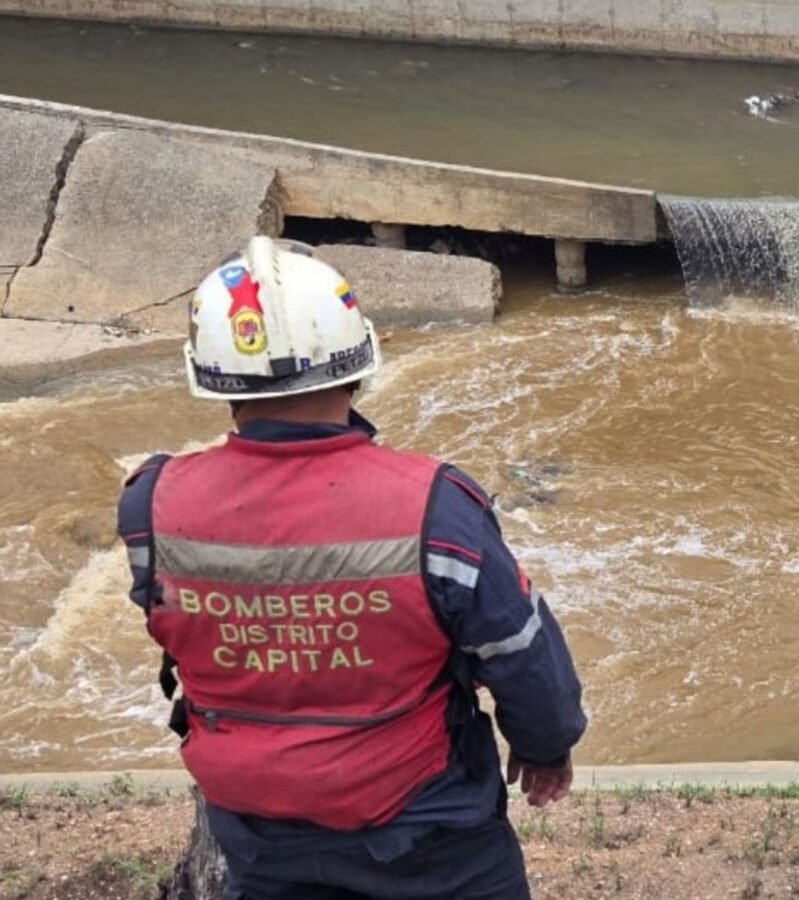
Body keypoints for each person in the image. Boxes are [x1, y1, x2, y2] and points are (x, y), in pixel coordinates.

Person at [117, 236, 587, 900]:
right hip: (430, 833)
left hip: (259, 832)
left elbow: (169, 622)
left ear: (211, 376)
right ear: (360, 363)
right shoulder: (435, 506)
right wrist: (546, 747)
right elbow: (519, 649)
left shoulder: (150, 505)